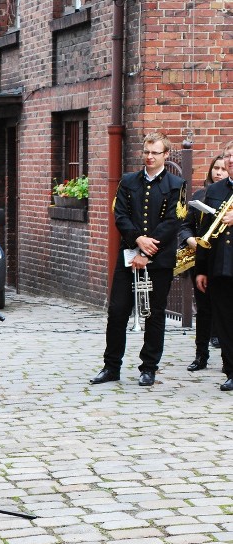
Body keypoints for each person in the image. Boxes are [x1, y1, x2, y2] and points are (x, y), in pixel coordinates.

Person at [92, 132, 186, 387]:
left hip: (159, 259)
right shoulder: (128, 181)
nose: (149, 157)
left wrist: (146, 251)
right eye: (146, 151)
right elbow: (120, 215)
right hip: (129, 255)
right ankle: (111, 366)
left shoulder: (177, 185)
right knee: (118, 310)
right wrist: (137, 242)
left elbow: (173, 221)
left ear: (166, 155)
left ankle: (149, 368)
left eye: (155, 152)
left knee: (154, 314)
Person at [179, 154, 226, 371]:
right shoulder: (202, 195)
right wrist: (190, 239)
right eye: (215, 168)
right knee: (203, 309)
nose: (218, 172)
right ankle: (201, 355)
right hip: (202, 258)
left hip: (223, 259)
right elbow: (186, 224)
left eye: (222, 169)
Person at [195, 141, 233, 392]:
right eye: (228, 155)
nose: (230, 160)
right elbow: (204, 230)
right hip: (220, 264)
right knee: (225, 320)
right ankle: (231, 370)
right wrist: (201, 268)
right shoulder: (216, 189)